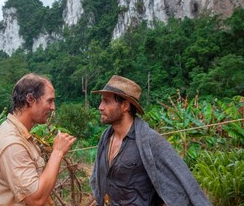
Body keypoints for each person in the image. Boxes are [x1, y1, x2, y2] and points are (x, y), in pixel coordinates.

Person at [90, 75, 211, 206]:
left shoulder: (150, 141)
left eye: (107, 102)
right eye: (101, 101)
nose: (100, 107)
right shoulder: (105, 138)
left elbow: (184, 182)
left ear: (125, 105)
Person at [0, 73, 76, 206]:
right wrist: (57, 151)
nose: (53, 107)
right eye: (49, 100)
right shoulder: (12, 144)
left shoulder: (19, 133)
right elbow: (35, 199)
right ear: (30, 99)